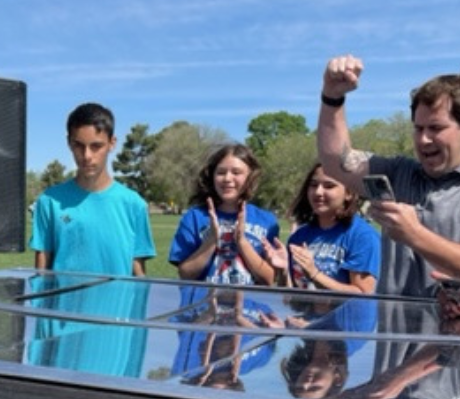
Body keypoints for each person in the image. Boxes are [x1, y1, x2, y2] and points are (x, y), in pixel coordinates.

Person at [317, 54, 460, 297]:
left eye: (435, 128)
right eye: (418, 128)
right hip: (394, 335)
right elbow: (334, 163)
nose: (423, 139)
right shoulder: (398, 172)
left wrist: (415, 235)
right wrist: (332, 96)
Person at [30, 102, 156, 276]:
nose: (87, 156)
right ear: (69, 143)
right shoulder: (49, 202)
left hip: (117, 303)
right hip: (63, 304)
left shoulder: (134, 204)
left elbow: (139, 275)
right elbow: (41, 276)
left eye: (96, 146)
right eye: (79, 146)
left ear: (112, 143)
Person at [168, 143, 279, 286]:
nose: (227, 178)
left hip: (250, 306)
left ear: (250, 176)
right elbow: (185, 274)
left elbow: (269, 279)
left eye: (236, 172)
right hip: (204, 306)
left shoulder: (267, 220)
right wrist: (211, 241)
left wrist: (242, 242)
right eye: (221, 172)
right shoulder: (194, 217)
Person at [264, 163, 380, 293]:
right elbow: (293, 299)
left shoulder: (362, 236)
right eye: (313, 185)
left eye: (329, 186)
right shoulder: (298, 237)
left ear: (349, 193)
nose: (318, 192)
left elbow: (363, 294)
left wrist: (314, 274)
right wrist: (284, 271)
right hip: (306, 314)